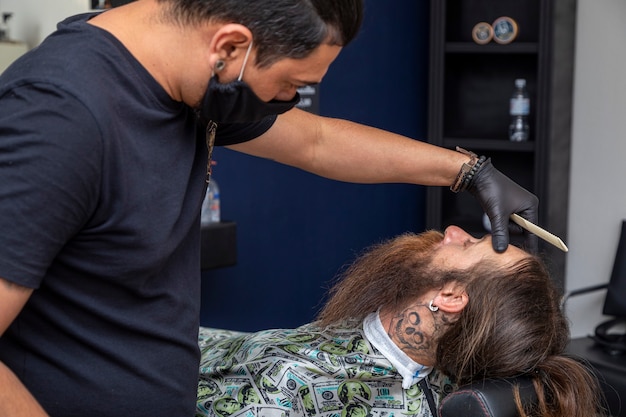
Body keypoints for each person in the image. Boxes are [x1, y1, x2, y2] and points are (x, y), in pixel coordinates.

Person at [0, 1, 539, 416]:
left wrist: (468, 171)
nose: (288, 106)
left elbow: (317, 142)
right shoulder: (61, 118)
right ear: (231, 47)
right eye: (291, 87)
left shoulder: (187, 79)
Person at [196, 227, 605, 417]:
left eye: (467, 244)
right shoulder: (433, 371)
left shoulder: (296, 384)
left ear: (449, 297)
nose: (452, 231)